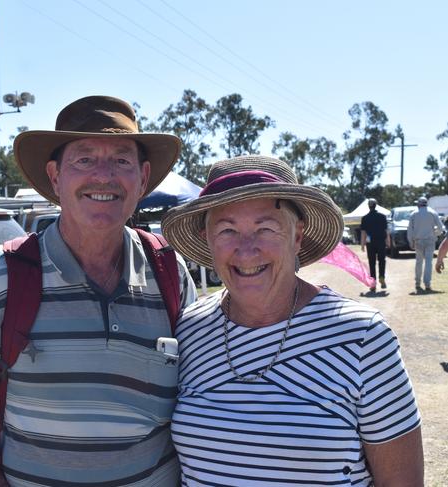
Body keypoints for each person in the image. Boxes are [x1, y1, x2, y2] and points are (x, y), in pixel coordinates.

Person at [0, 95, 197, 486]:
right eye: (85, 159)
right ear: (56, 177)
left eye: (121, 160)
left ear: (142, 178)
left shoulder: (170, 275)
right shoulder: (0, 285)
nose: (104, 176)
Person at [162, 155, 423, 486]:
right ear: (208, 239)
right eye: (227, 229)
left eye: (265, 227)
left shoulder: (362, 337)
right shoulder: (189, 329)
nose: (246, 250)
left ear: (297, 235)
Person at [407, 196, 444, 292]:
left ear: (419, 204)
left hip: (418, 241)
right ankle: (427, 284)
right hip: (430, 241)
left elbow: (410, 230)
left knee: (419, 262)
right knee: (428, 263)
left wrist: (411, 241)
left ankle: (417, 283)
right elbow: (440, 228)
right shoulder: (432, 212)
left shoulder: (414, 214)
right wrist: (434, 233)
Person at [360, 198, 390, 292]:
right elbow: (386, 231)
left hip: (370, 243)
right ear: (376, 205)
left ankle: (373, 284)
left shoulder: (365, 218)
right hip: (381, 241)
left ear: (369, 206)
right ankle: (382, 276)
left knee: (372, 263)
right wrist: (388, 242)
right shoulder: (382, 216)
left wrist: (362, 245)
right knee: (382, 260)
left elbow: (363, 233)